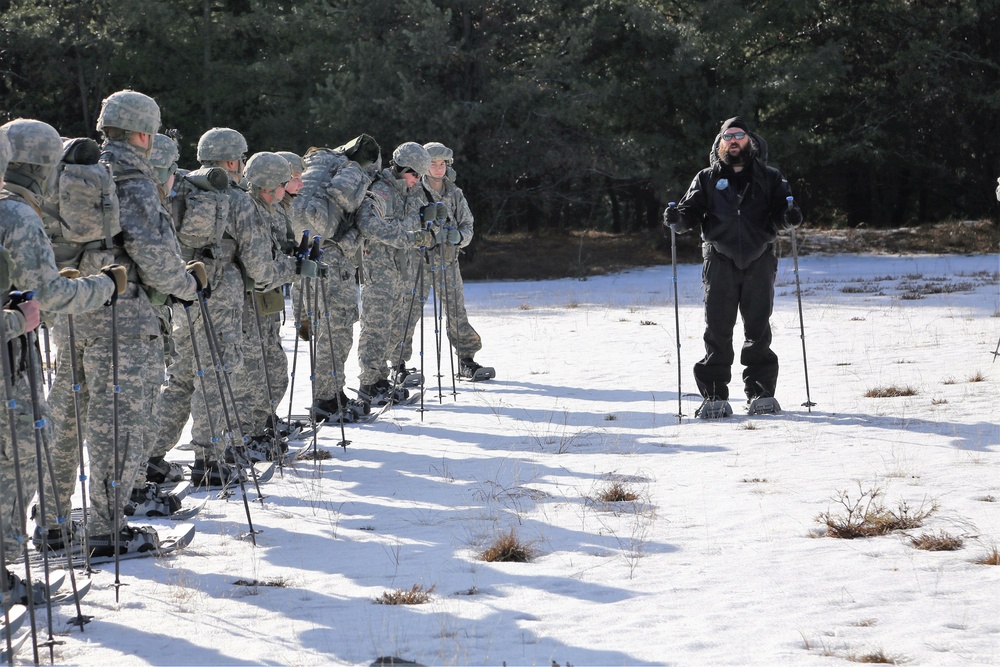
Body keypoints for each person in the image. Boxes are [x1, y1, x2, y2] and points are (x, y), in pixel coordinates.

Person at [43, 89, 203, 556]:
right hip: (124, 317)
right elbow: (152, 253)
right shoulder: (132, 179)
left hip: (72, 306)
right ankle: (105, 529)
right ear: (143, 133)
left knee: (68, 418)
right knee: (119, 424)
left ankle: (52, 522)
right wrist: (189, 287)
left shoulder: (78, 172)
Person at [0, 120, 119, 595]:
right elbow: (47, 295)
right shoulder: (18, 216)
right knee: (22, 453)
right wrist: (103, 287)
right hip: (7, 357)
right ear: (45, 167)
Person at [664, 116, 801, 418]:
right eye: (728, 136)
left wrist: (790, 216)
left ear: (751, 141)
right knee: (717, 329)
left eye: (739, 135)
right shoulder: (706, 178)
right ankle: (714, 396)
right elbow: (690, 212)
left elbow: (782, 211)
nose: (734, 140)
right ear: (720, 143)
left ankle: (761, 394)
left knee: (758, 328)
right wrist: (677, 219)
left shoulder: (770, 176)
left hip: (760, 259)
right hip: (719, 259)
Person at [391, 141, 490, 383]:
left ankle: (466, 360)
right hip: (419, 263)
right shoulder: (414, 191)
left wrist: (459, 237)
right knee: (408, 312)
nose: (438, 168)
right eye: (433, 164)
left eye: (442, 164)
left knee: (457, 311)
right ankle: (397, 363)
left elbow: (468, 225)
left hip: (448, 262)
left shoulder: (455, 194)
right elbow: (403, 226)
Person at [354, 142, 432, 409]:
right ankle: (368, 383)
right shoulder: (381, 190)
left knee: (392, 326)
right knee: (375, 326)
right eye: (415, 175)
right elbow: (370, 225)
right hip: (379, 267)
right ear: (403, 169)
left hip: (401, 269)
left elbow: (415, 221)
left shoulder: (412, 192)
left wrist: (428, 218)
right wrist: (409, 236)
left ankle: (381, 379)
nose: (418, 181)